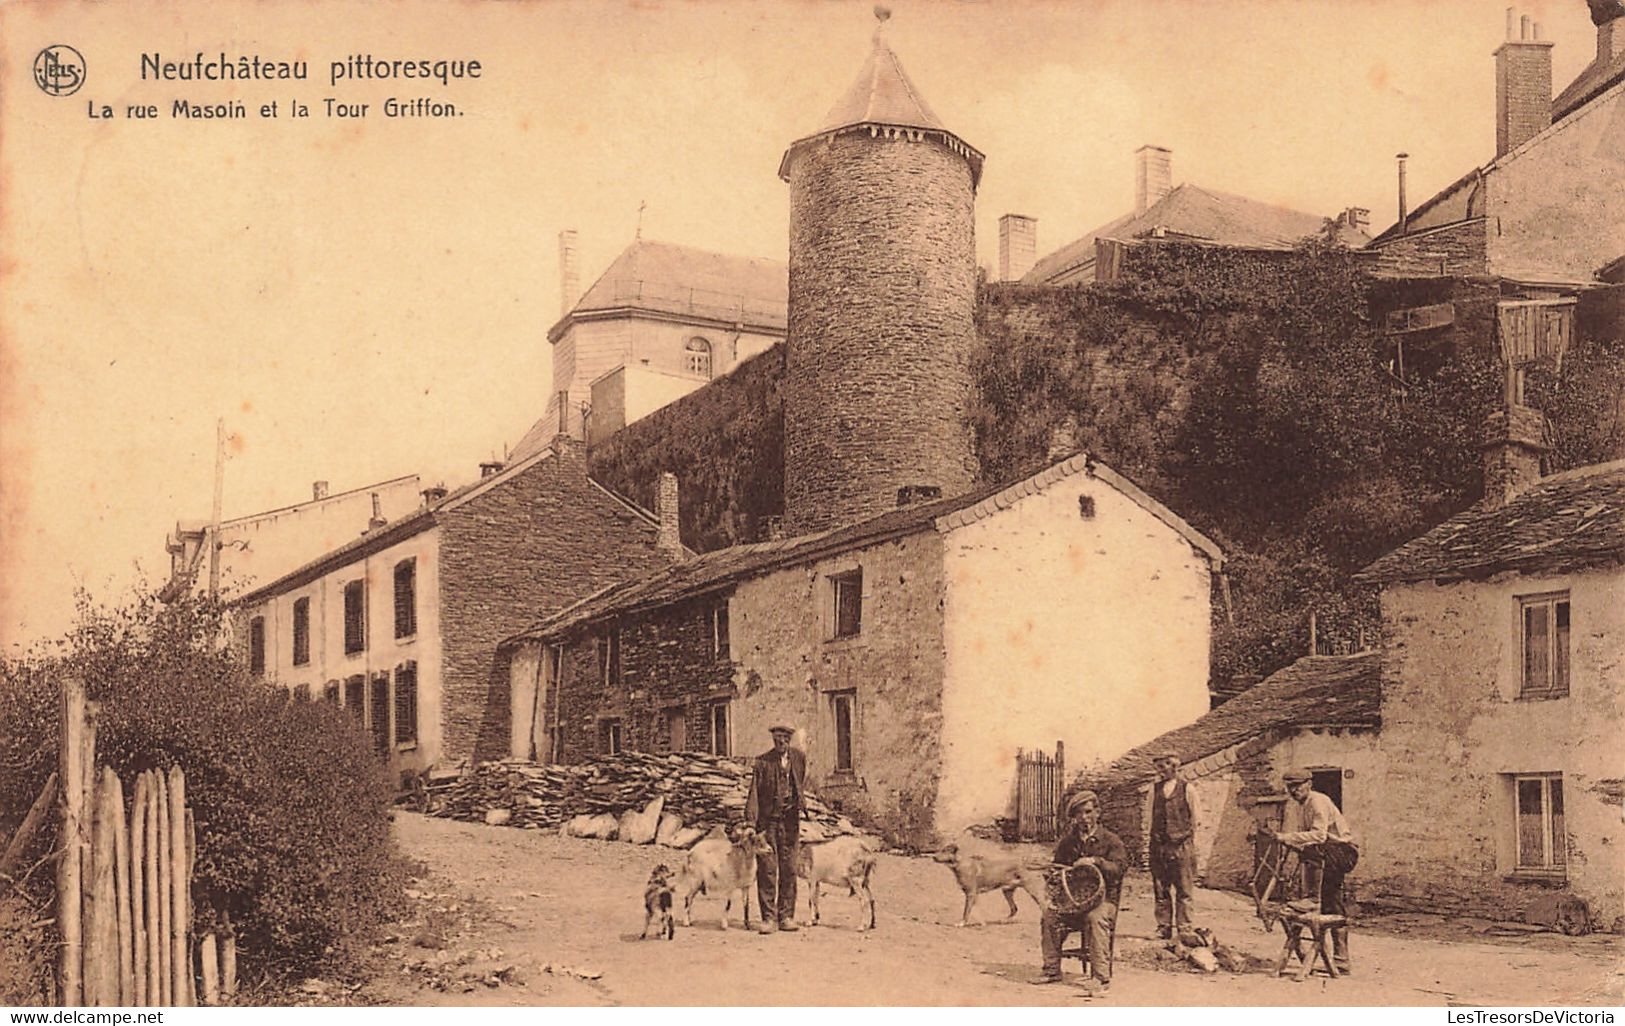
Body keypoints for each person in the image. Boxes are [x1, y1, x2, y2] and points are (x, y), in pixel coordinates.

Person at [1263, 766, 1358, 972]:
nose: (1293, 791)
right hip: (1326, 852)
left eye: (1297, 787)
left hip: (1342, 852)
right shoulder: (1302, 805)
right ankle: (1313, 904)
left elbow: (1319, 835)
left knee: (1331, 901)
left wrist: (1285, 836)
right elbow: (1307, 838)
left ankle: (1341, 958)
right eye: (1290, 787)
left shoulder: (1318, 801)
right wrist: (1291, 842)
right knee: (1326, 900)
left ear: (1309, 784)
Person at [1032, 790, 1126, 994]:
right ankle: (1051, 970)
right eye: (1079, 814)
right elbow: (1058, 871)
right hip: (1073, 901)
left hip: (1103, 901)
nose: (1084, 817)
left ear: (1098, 812)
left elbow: (1119, 869)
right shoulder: (1068, 842)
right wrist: (1053, 874)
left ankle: (1100, 978)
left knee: (1095, 917)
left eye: (1088, 811)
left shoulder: (1111, 840)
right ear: (1073, 817)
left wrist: (1096, 861)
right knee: (1050, 916)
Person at [745, 723, 805, 933]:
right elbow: (753, 793)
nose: (781, 743)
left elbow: (800, 783)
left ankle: (786, 916)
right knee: (768, 870)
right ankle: (769, 918)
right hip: (768, 823)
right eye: (777, 739)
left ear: (790, 740)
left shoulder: (798, 758)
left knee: (789, 869)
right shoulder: (762, 762)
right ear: (773, 740)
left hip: (790, 823)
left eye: (785, 739)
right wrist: (751, 823)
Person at [1148, 749, 1197, 939]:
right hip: (1159, 846)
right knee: (1161, 888)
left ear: (1175, 766)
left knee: (1184, 889)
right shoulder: (1154, 789)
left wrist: (1183, 840)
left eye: (1165, 765)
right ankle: (1163, 926)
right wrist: (1156, 841)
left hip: (1181, 846)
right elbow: (1149, 818)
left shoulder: (1187, 789)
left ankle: (1185, 928)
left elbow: (1195, 820)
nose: (1161, 770)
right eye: (1158, 766)